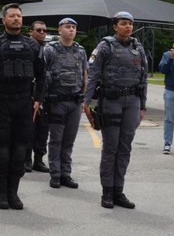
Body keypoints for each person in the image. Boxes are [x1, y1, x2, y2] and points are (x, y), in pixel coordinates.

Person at [0, 3, 45, 211]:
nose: (16, 19)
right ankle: (1, 195)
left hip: (24, 104)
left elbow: (42, 75)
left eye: (19, 16)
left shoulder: (33, 46)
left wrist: (38, 99)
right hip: (1, 103)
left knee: (19, 152)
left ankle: (13, 193)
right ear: (4, 20)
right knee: (2, 152)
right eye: (12, 16)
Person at [83, 11, 148, 209]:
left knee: (125, 148)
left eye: (130, 23)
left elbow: (143, 78)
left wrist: (143, 106)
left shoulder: (138, 48)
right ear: (115, 26)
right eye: (123, 23)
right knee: (111, 147)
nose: (128, 26)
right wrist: (86, 103)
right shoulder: (105, 46)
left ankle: (119, 191)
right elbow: (93, 74)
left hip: (133, 102)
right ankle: (107, 192)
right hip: (111, 101)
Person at [44, 17, 87, 189]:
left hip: (74, 102)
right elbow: (42, 75)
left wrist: (84, 97)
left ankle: (66, 174)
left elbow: (84, 74)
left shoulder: (80, 51)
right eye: (68, 27)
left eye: (74, 27)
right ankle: (55, 174)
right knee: (56, 139)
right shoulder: (50, 50)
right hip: (57, 102)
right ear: (60, 30)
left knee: (69, 140)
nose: (71, 30)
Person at [26, 20, 51, 174]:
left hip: (46, 95)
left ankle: (39, 160)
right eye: (39, 30)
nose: (42, 33)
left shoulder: (49, 49)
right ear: (31, 31)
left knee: (43, 130)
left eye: (44, 30)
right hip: (30, 95)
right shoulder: (27, 47)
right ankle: (26, 159)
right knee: (29, 129)